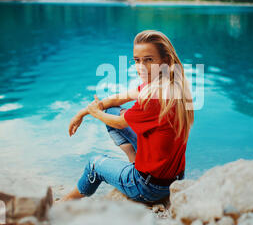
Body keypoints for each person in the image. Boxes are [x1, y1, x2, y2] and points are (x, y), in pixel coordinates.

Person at [56, 30, 194, 204]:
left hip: (149, 188)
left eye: (148, 60)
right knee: (112, 110)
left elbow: (120, 123)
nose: (140, 67)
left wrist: (94, 112)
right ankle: (135, 163)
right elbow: (121, 97)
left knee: (94, 164)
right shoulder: (170, 84)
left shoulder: (155, 97)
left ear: (165, 61)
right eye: (137, 60)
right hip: (173, 179)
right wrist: (82, 112)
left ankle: (64, 203)